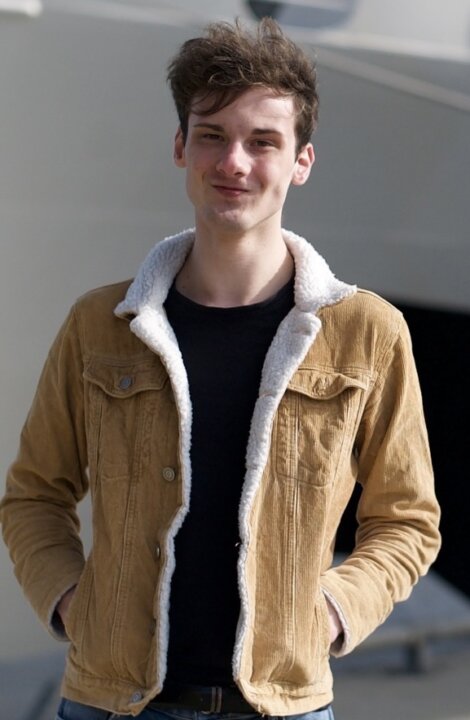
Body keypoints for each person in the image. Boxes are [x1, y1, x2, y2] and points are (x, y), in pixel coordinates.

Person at [0, 17, 440, 720]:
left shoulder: (367, 334)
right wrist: (71, 605)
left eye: (263, 141)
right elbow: (33, 495)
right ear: (181, 147)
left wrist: (329, 611)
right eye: (212, 135)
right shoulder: (98, 325)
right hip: (111, 703)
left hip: (284, 705)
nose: (234, 162)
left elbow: (408, 520)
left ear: (302, 161)